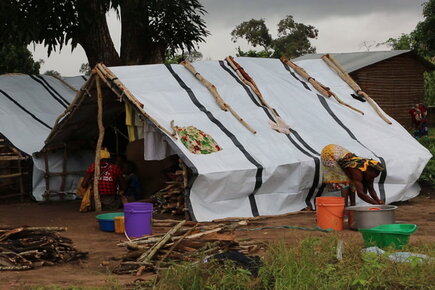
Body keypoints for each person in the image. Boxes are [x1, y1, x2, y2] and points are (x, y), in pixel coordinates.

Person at [320, 144, 385, 206]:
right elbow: (360, 193)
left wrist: (378, 200)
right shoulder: (356, 170)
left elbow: (371, 189)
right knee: (345, 182)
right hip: (328, 154)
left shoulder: (368, 171)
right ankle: (344, 208)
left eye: (374, 177)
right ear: (366, 169)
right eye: (371, 177)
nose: (371, 179)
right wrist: (375, 204)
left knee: (352, 183)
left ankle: (352, 207)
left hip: (337, 151)